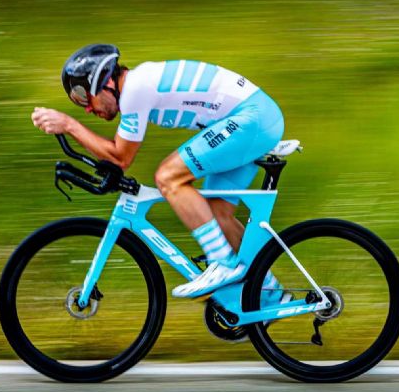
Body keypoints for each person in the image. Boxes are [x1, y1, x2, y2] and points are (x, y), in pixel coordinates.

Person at [31, 43, 287, 303]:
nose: (87, 108)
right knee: (217, 213)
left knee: (168, 177)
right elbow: (116, 155)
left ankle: (222, 262)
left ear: (103, 82)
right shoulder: (137, 86)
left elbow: (120, 157)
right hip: (257, 118)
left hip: (251, 119)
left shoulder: (134, 90)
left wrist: (69, 125)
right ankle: (271, 294)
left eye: (84, 97)